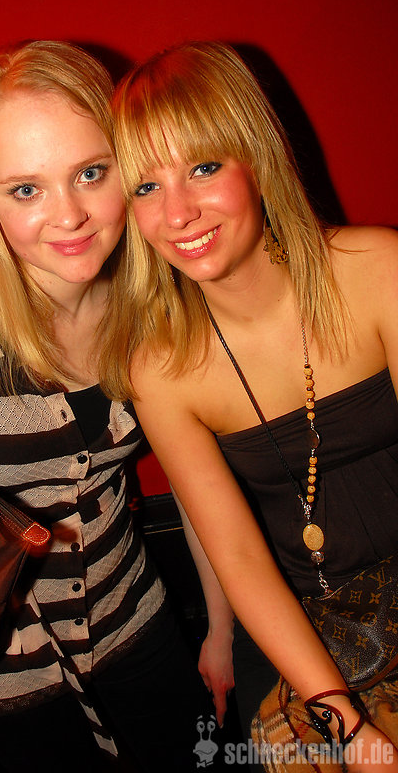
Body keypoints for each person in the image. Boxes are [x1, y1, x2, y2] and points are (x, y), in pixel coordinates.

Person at [0, 40, 218, 773]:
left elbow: (196, 483)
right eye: (26, 189)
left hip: (143, 630)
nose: (71, 216)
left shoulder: (159, 308)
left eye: (91, 172)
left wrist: (221, 625)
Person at [108, 39, 398, 771]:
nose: (178, 212)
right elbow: (238, 558)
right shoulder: (161, 370)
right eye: (146, 186)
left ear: (257, 160)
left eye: (204, 168)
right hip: (314, 625)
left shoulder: (378, 272)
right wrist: (346, 725)